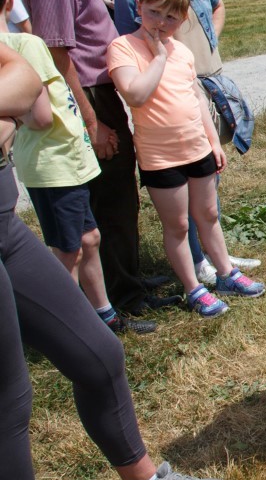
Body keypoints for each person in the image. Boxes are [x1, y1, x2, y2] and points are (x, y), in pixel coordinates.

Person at [0, 42, 222, 480]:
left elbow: (24, 78)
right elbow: (19, 95)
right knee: (7, 397)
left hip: (5, 228)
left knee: (98, 352)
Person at [19, 0, 176, 318]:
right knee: (108, 200)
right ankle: (121, 298)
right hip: (87, 93)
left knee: (116, 197)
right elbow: (56, 52)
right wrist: (92, 121)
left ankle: (127, 280)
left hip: (94, 90)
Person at [114, 0, 260, 289]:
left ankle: (215, 254)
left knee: (209, 178)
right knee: (184, 190)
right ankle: (197, 261)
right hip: (172, 98)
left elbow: (218, 6)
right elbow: (132, 51)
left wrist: (207, 45)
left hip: (208, 84)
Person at [108, 0, 266, 317]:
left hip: (197, 148)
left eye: (171, 17)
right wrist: (159, 57)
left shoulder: (182, 51)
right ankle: (194, 288)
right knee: (178, 225)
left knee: (208, 215)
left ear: (182, 20)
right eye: (154, 12)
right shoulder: (123, 47)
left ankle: (226, 274)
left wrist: (213, 141)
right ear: (139, 8)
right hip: (160, 157)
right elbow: (135, 94)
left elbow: (195, 97)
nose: (161, 22)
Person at [2, 19, 155, 335]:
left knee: (89, 238)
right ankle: (70, 329)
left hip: (61, 163)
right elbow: (42, 117)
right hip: (55, 164)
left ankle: (103, 315)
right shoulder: (26, 44)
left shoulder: (10, 49)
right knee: (69, 251)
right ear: (7, 3)